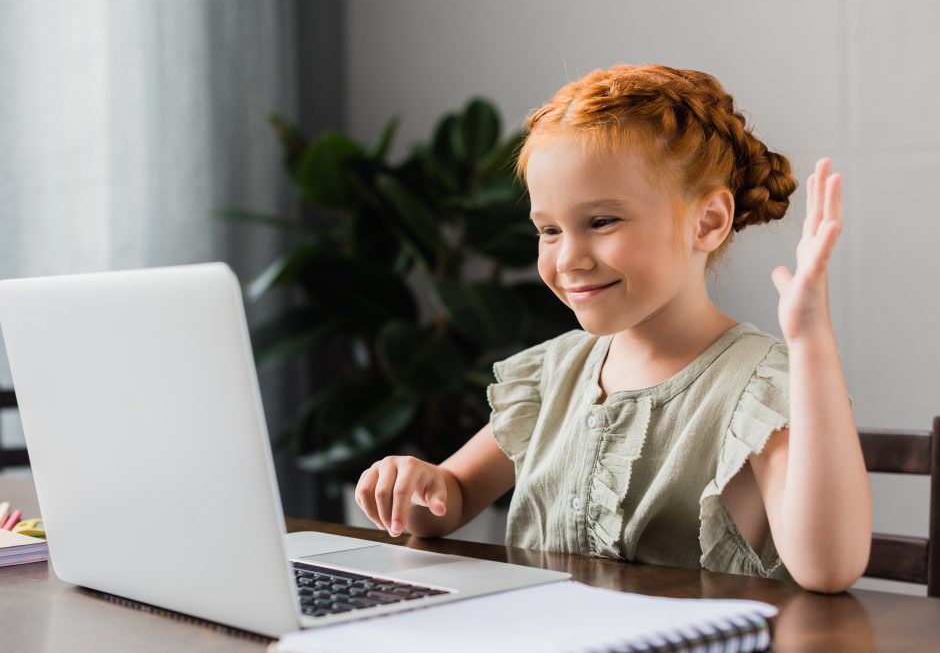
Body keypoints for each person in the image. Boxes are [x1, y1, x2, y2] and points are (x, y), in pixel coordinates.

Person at [355, 64, 872, 593]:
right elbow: (451, 500)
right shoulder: (552, 372)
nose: (570, 258)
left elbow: (828, 569)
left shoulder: (758, 386)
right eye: (549, 230)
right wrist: (416, 486)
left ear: (708, 221)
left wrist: (810, 344)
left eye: (601, 222)